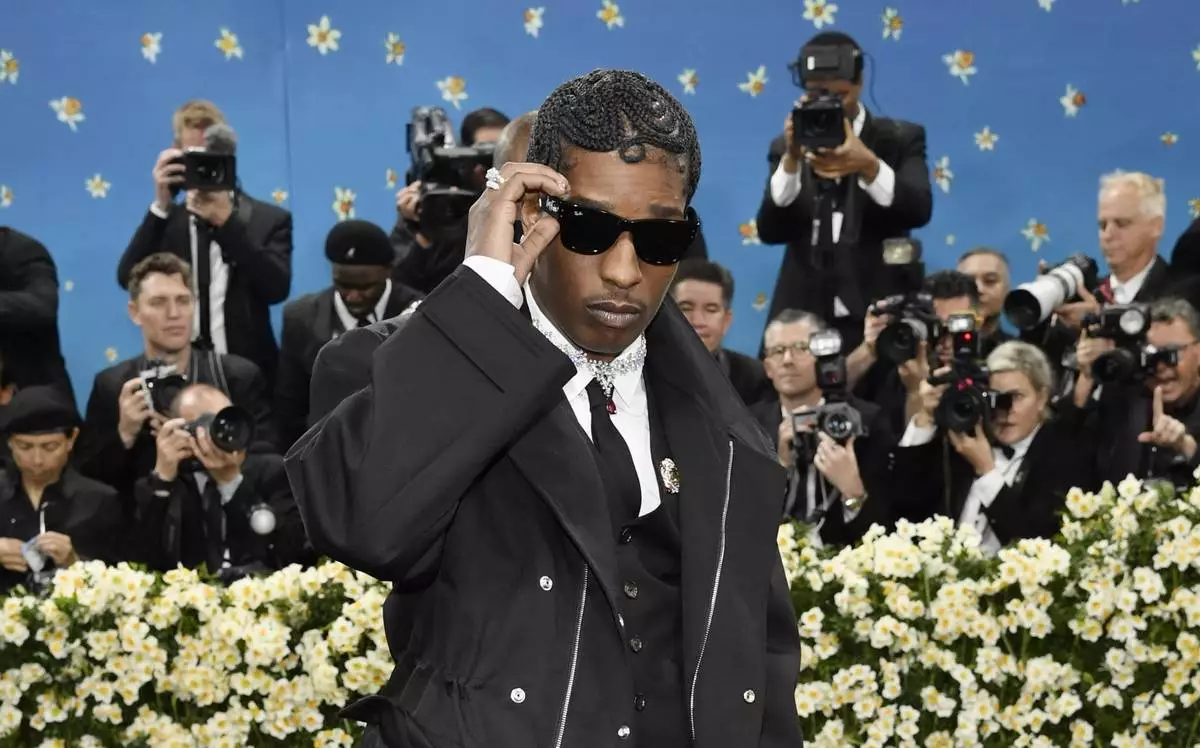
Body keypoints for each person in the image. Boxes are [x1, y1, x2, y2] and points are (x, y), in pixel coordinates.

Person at [287, 69, 803, 748]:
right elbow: (362, 525)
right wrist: (483, 289)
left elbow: (758, 655)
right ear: (529, 214)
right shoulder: (388, 363)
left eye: (658, 240)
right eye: (590, 229)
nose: (624, 271)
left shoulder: (720, 415)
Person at [755, 31, 932, 353]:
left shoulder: (898, 139)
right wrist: (792, 160)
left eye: (840, 94)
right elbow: (770, 229)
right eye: (817, 94)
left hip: (879, 314)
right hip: (803, 318)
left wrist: (869, 165)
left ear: (860, 82)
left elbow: (919, 209)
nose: (830, 104)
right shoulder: (786, 146)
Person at [275, 220, 422, 450]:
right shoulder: (301, 318)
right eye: (342, 284)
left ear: (387, 272)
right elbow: (290, 409)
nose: (352, 296)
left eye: (365, 287)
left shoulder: (417, 313)